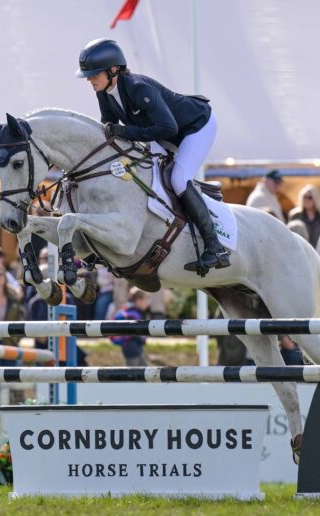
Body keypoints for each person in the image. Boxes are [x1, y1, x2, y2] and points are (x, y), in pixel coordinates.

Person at [77, 38, 228, 273]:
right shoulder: (104, 92)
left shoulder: (138, 87)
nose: (89, 79)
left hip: (196, 127)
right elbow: (109, 127)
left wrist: (125, 131)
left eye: (94, 74)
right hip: (163, 133)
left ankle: (215, 246)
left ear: (113, 70)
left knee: (178, 179)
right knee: (140, 169)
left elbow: (168, 127)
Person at [110, 288, 151, 366]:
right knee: (134, 375)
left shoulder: (129, 311)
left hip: (131, 348)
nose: (148, 303)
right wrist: (142, 340)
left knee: (142, 373)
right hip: (132, 349)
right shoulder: (133, 314)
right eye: (146, 299)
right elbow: (133, 331)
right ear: (139, 300)